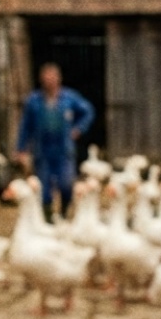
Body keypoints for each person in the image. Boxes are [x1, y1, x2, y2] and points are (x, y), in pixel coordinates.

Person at [15, 62, 95, 220]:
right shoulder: (34, 100)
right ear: (41, 80)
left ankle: (64, 212)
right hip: (42, 149)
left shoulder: (69, 98)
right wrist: (21, 148)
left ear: (59, 79)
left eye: (52, 78)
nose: (49, 81)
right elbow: (26, 126)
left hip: (63, 149)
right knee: (43, 187)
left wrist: (78, 128)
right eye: (46, 78)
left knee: (66, 183)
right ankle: (48, 218)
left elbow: (88, 111)